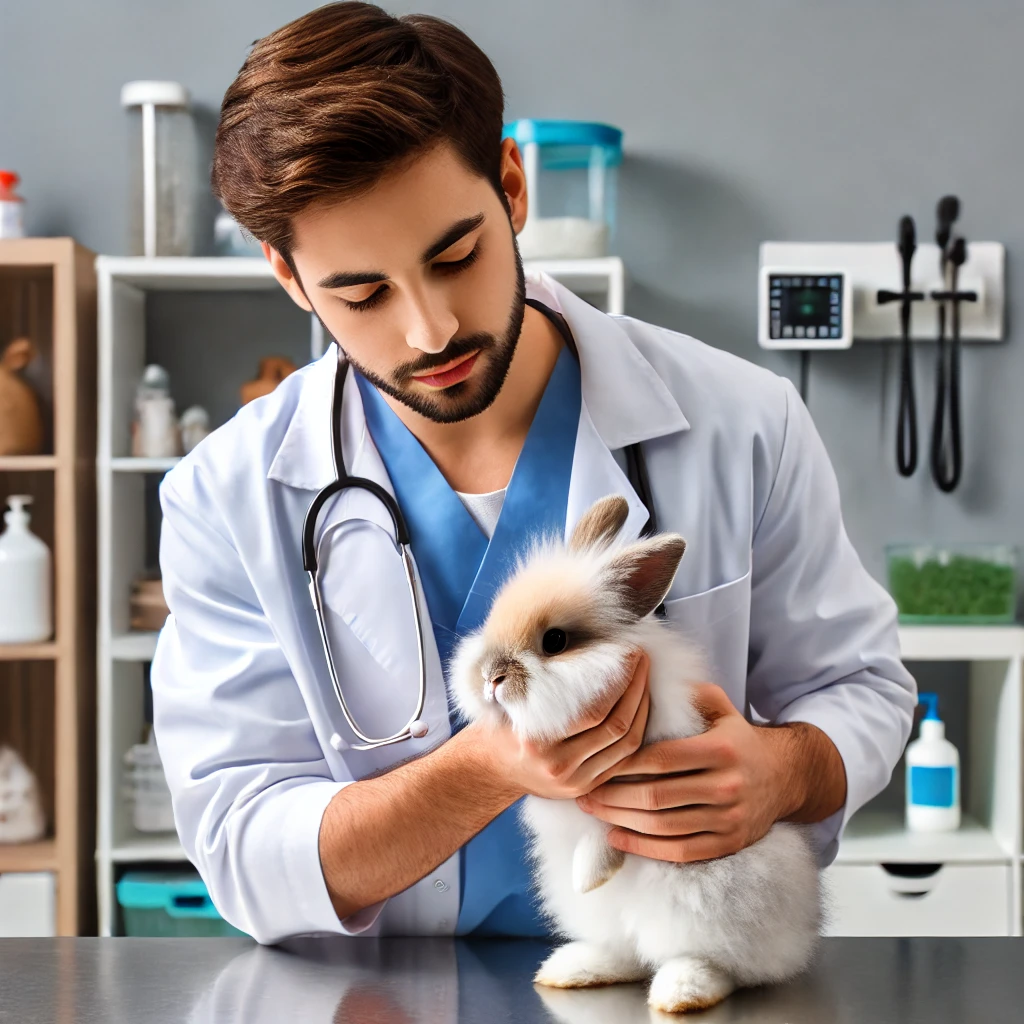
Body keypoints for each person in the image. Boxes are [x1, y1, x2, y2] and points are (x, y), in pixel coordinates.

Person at [150, 1, 916, 945]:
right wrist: (492, 767)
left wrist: (782, 771)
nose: (429, 330)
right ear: (288, 276)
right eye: (362, 292)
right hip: (388, 999)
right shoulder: (225, 496)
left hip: (670, 970)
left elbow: (864, 688)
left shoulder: (741, 421)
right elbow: (238, 843)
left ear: (511, 185)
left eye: (456, 256)